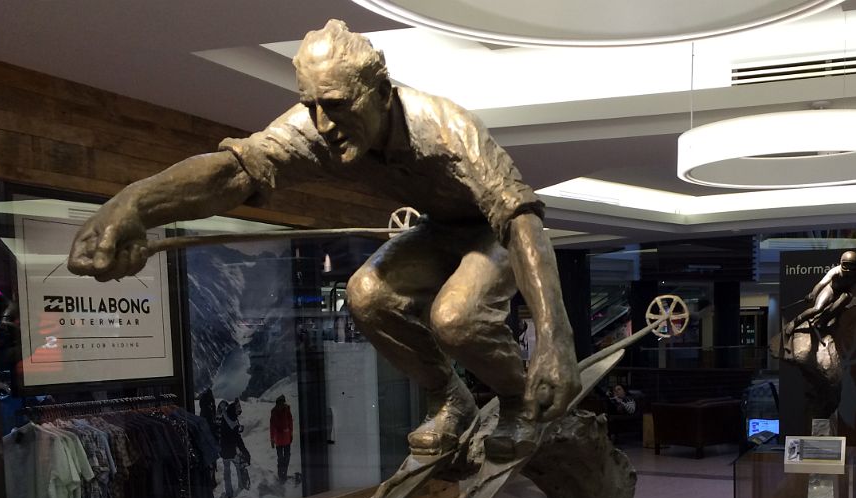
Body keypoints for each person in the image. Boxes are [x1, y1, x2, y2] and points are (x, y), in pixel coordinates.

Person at [67, 19, 580, 463]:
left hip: (495, 232)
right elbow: (233, 173)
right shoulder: (318, 126)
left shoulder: (444, 130)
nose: (322, 125)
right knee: (368, 296)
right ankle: (449, 397)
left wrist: (555, 340)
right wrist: (132, 205)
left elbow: (520, 219)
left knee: (456, 318)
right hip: (438, 230)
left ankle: (517, 401)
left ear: (380, 92)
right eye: (311, 105)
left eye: (336, 104)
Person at [784, 250, 856, 337]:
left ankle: (822, 322)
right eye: (847, 265)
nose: (849, 269)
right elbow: (821, 284)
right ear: (841, 263)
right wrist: (813, 294)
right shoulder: (835, 272)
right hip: (830, 290)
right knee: (817, 308)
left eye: (852, 266)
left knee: (846, 297)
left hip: (842, 294)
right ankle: (795, 322)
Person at [219, 399, 251, 498]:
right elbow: (238, 439)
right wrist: (245, 452)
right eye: (237, 412)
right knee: (238, 468)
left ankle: (229, 493)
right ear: (234, 410)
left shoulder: (224, 417)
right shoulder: (234, 422)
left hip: (224, 451)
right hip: (233, 451)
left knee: (227, 472)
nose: (238, 414)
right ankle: (241, 489)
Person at [270, 395, 294, 481]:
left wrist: (291, 434)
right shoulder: (274, 412)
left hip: (286, 438)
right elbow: (272, 426)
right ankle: (281, 475)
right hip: (279, 439)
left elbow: (290, 423)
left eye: (282, 402)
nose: (281, 404)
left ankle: (284, 474)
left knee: (286, 458)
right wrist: (272, 439)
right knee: (281, 458)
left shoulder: (287, 410)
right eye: (280, 402)